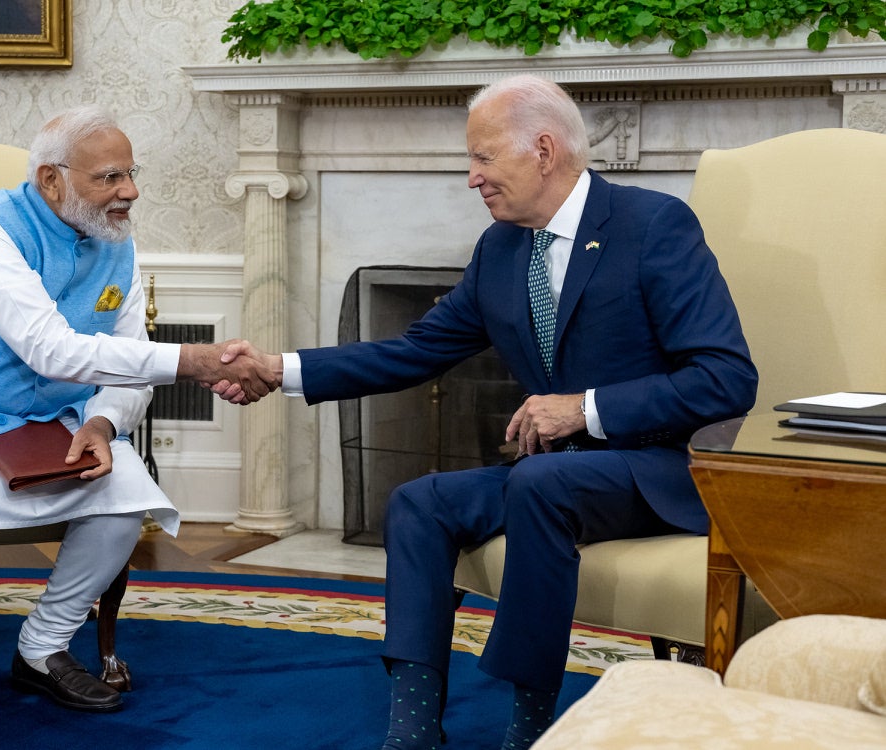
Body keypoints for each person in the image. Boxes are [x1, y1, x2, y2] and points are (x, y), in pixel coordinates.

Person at [215, 74, 757, 748]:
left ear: (542, 148)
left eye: (482, 158)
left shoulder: (651, 225)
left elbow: (726, 378)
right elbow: (416, 351)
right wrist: (279, 369)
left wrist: (581, 409)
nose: (471, 178)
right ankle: (412, 729)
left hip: (660, 471)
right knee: (419, 502)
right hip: (561, 481)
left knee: (539, 479)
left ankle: (527, 723)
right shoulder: (500, 250)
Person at [0, 105, 277, 736]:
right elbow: (51, 349)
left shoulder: (117, 242)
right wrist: (194, 360)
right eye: (110, 178)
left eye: (132, 174)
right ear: (51, 180)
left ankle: (42, 646)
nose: (130, 191)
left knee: (125, 493)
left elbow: (122, 368)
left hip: (50, 422)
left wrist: (102, 423)